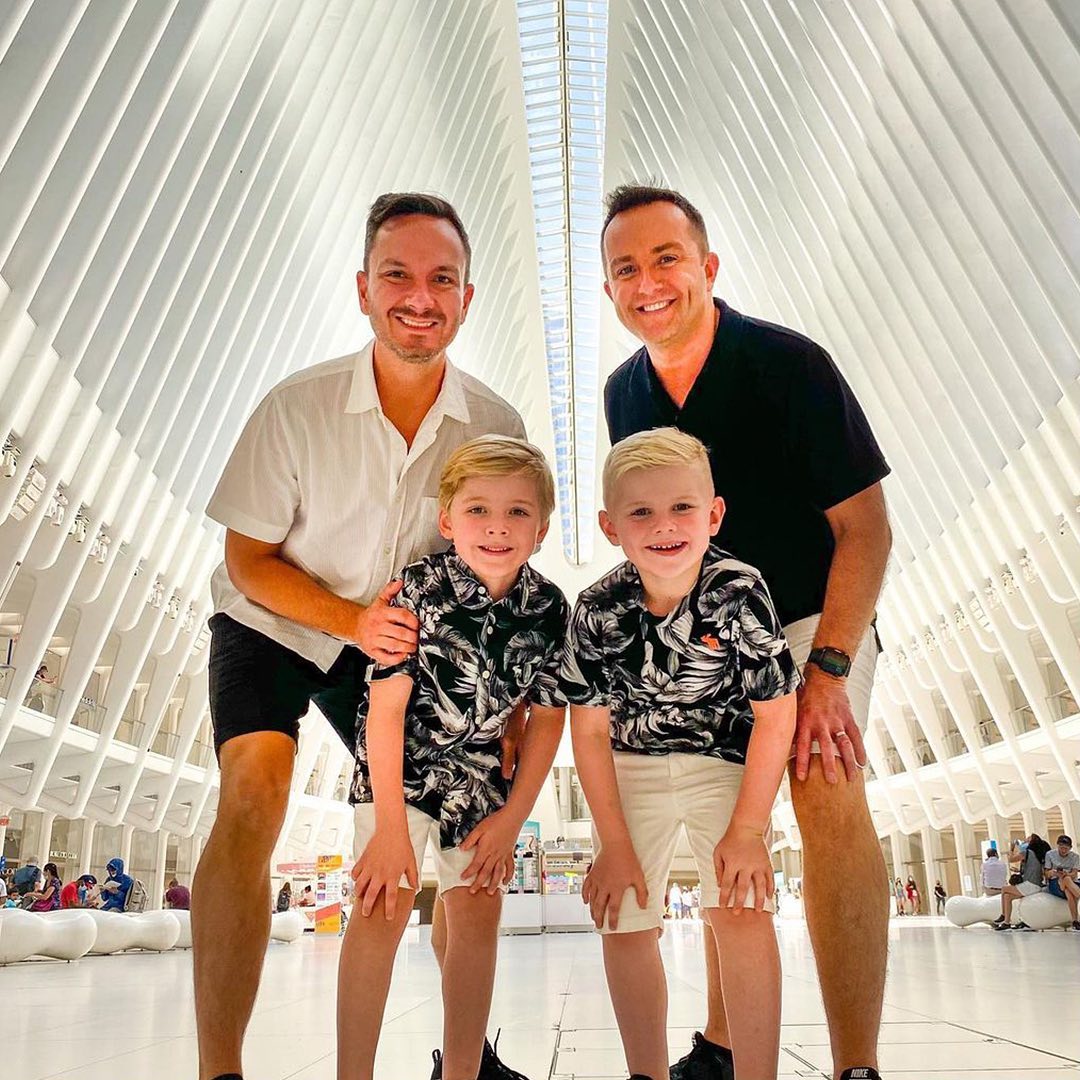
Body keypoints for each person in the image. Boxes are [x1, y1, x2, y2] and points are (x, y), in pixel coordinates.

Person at [192, 192, 528, 1080]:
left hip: (403, 643)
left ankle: (467, 1058)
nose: (419, 297)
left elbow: (494, 580)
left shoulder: (496, 426)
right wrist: (351, 622)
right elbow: (247, 559)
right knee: (254, 792)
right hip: (276, 616)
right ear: (363, 289)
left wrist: (504, 707)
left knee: (456, 820)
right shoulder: (295, 408)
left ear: (467, 298)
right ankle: (219, 1068)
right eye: (397, 275)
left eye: (442, 279)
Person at [600, 184, 892, 1080]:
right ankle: (725, 1047)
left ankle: (856, 1065)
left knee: (824, 781)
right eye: (626, 268)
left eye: (666, 258)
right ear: (610, 289)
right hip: (702, 640)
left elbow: (866, 530)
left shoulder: (790, 366)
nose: (648, 282)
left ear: (708, 266)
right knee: (722, 811)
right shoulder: (623, 393)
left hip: (808, 619)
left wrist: (827, 674)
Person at [562, 428, 800, 1080]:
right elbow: (589, 732)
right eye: (641, 512)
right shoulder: (596, 608)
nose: (663, 526)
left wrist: (749, 829)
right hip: (629, 767)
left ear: (714, 514)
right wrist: (612, 842)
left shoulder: (739, 591)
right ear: (610, 527)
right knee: (624, 914)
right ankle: (646, 1073)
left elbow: (776, 712)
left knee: (741, 906)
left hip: (723, 765)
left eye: (682, 508)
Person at [338, 436, 567, 1080]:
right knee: (381, 905)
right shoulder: (417, 590)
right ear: (447, 520)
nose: (497, 527)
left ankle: (463, 1071)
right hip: (399, 770)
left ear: (542, 530)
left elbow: (548, 720)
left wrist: (513, 821)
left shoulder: (550, 610)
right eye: (478, 510)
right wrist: (389, 828)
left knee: (477, 913)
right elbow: (385, 713)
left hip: (481, 778)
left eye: (518, 512)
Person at [993, 834, 1051, 930]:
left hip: (1030, 885)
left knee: (1004, 889)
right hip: (1035, 886)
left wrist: (1011, 848)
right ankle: (1006, 922)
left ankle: (1003, 915)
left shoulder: (1026, 852)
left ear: (1031, 842)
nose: (1024, 841)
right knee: (1007, 897)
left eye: (1027, 839)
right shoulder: (1037, 855)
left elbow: (1011, 859)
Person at [1043, 834, 1080, 931]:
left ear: (1070, 848)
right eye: (1061, 847)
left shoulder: (1075, 857)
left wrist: (1066, 874)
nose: (1063, 850)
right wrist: (1053, 872)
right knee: (1067, 881)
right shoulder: (1050, 854)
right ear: (1057, 846)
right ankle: (1075, 920)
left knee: (1068, 890)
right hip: (1056, 882)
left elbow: (1074, 874)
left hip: (1071, 882)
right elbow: (1046, 873)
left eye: (1066, 848)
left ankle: (1075, 921)